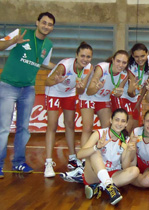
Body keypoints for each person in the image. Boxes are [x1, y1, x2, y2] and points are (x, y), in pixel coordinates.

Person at [0, 12, 56, 178]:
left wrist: (64, 68)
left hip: (28, 89)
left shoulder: (48, 44)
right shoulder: (21, 33)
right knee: (3, 128)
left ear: (52, 27)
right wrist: (12, 42)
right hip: (8, 86)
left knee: (23, 129)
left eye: (50, 24)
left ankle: (18, 163)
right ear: (37, 22)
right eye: (44, 22)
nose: (46, 26)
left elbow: (44, 63)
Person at [44, 42, 93, 178]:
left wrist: (80, 86)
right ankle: (48, 162)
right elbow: (47, 82)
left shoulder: (88, 68)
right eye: (82, 56)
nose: (85, 59)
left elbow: (80, 90)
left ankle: (72, 157)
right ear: (76, 55)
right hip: (53, 91)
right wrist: (57, 80)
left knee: (70, 124)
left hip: (69, 93)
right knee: (52, 125)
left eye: (88, 57)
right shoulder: (64, 66)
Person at [77, 108, 139, 205]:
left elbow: (125, 167)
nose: (119, 123)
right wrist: (96, 147)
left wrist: (130, 151)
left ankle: (100, 187)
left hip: (113, 174)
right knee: (95, 152)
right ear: (111, 120)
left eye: (123, 121)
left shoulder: (126, 140)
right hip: (93, 174)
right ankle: (108, 186)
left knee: (135, 170)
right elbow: (79, 154)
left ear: (126, 124)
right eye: (117, 120)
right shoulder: (99, 133)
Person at [82, 50, 129, 146]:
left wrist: (118, 93)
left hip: (103, 98)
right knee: (87, 128)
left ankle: (106, 155)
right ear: (113, 60)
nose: (120, 65)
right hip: (88, 97)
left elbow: (117, 93)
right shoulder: (102, 68)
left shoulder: (124, 74)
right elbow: (89, 91)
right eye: (118, 61)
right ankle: (83, 158)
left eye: (124, 62)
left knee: (108, 127)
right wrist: (97, 88)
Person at [121, 43, 149, 133]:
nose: (140, 59)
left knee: (136, 128)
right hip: (124, 96)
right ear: (132, 55)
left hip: (136, 98)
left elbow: (146, 84)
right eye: (136, 57)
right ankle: (121, 145)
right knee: (127, 124)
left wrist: (139, 101)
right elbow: (130, 92)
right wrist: (132, 90)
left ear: (147, 53)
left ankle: (132, 146)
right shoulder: (131, 66)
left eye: (142, 56)